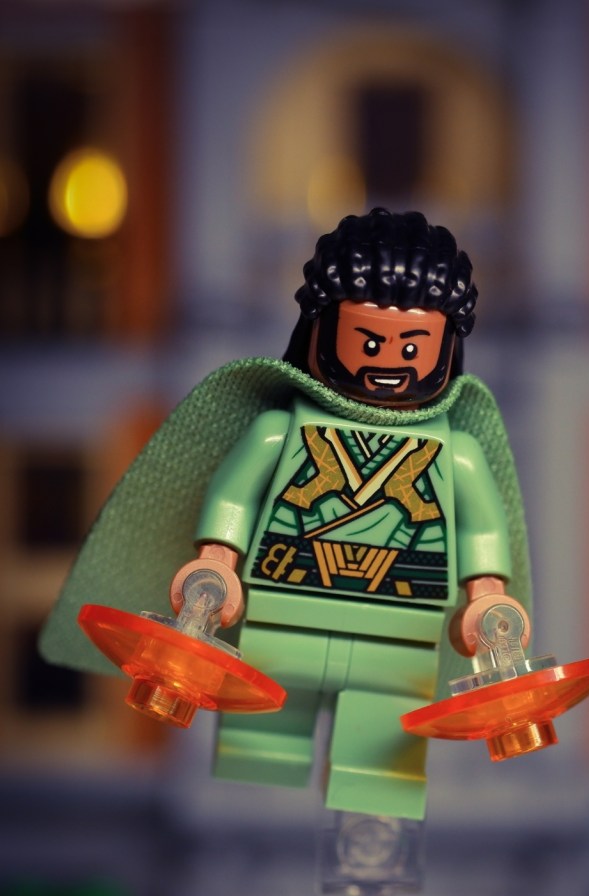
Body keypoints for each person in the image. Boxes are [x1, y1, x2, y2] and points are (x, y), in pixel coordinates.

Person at [40, 208, 531, 821]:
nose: (389, 360)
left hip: (400, 626)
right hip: (283, 606)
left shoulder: (457, 455)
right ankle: (249, 819)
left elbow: (482, 528)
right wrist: (216, 560)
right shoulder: (279, 431)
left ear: (445, 346)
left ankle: (372, 829)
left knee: (379, 772)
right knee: (260, 750)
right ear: (322, 331)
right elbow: (234, 498)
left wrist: (486, 595)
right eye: (369, 341)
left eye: (412, 346)